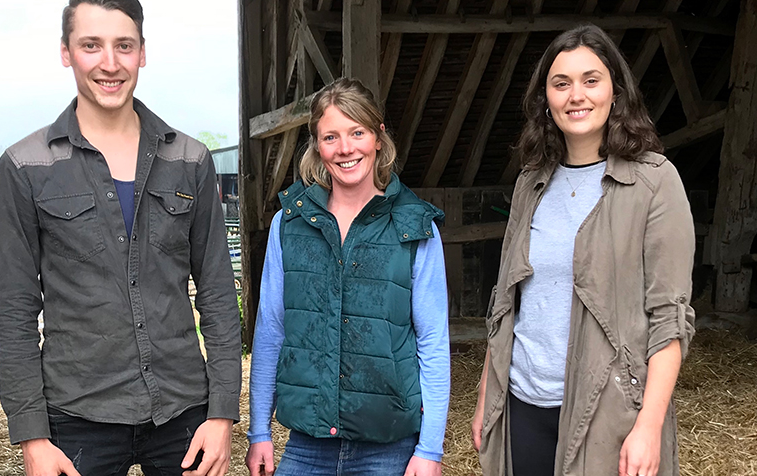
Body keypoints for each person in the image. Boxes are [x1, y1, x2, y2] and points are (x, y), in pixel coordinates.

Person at [0, 0, 241, 476]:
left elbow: (216, 292)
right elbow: (17, 310)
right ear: (66, 53)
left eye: (123, 45)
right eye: (91, 45)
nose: (110, 63)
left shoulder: (188, 159)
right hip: (76, 414)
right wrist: (31, 435)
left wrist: (221, 413)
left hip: (183, 412)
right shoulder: (26, 166)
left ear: (142, 53)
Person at [471, 24, 695, 476]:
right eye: (561, 83)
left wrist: (649, 426)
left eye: (591, 80)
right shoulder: (531, 183)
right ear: (545, 101)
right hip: (523, 405)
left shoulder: (654, 182)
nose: (577, 95)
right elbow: (507, 303)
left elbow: (670, 318)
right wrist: (484, 399)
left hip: (610, 412)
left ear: (616, 92)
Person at [244, 78, 451, 476]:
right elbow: (271, 331)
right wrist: (258, 432)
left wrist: (430, 449)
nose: (345, 148)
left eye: (357, 132)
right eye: (330, 137)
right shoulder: (289, 224)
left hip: (390, 447)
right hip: (307, 445)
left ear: (378, 137)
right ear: (317, 147)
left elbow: (432, 343)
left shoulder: (415, 226)